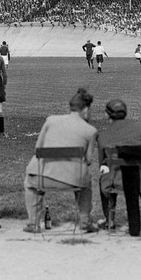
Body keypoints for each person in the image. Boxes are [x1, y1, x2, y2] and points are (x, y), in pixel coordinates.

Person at [22, 88, 99, 234]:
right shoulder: (90, 131)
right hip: (73, 180)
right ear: (86, 110)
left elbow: (38, 148)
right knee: (86, 184)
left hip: (41, 177)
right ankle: (84, 221)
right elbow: (88, 160)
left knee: (30, 185)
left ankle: (33, 223)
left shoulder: (51, 120)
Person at [97, 99, 141, 236]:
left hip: (117, 179)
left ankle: (109, 219)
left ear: (107, 115)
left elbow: (102, 164)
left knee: (103, 179)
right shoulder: (140, 126)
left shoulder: (103, 136)